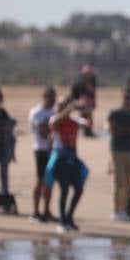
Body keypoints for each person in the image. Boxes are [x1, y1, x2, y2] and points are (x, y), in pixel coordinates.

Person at [47, 98, 90, 233]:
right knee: (64, 189)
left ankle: (69, 218)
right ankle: (62, 221)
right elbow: (55, 123)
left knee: (78, 189)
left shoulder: (74, 120)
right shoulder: (55, 119)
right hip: (60, 158)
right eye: (62, 106)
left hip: (72, 158)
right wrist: (69, 108)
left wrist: (86, 110)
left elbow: (87, 124)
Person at [107, 90, 130, 222]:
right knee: (119, 182)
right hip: (118, 151)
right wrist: (125, 130)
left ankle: (123, 210)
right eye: (126, 99)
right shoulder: (115, 114)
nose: (128, 102)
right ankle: (116, 210)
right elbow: (113, 131)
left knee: (128, 183)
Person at [28, 87, 57, 223]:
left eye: (54, 98)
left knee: (49, 181)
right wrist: (51, 127)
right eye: (50, 98)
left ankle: (46, 211)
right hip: (40, 149)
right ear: (44, 97)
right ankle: (35, 211)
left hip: (52, 150)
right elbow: (43, 132)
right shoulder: (37, 112)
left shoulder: (54, 112)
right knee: (40, 180)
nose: (53, 101)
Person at [71, 63, 98, 137]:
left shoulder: (92, 80)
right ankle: (83, 130)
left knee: (87, 116)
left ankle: (88, 130)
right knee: (83, 116)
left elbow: (92, 92)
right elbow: (75, 93)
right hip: (82, 101)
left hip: (88, 101)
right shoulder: (79, 82)